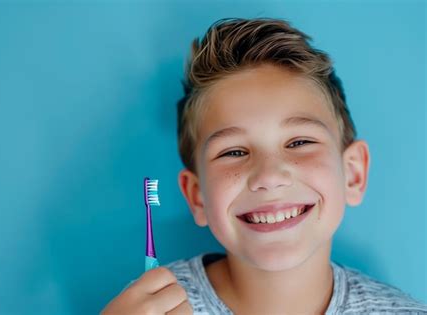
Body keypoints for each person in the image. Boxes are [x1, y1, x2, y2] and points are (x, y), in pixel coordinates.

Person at [101, 18, 427, 315]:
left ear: (353, 173)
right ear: (197, 196)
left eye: (299, 143)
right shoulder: (142, 308)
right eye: (234, 151)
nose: (269, 177)